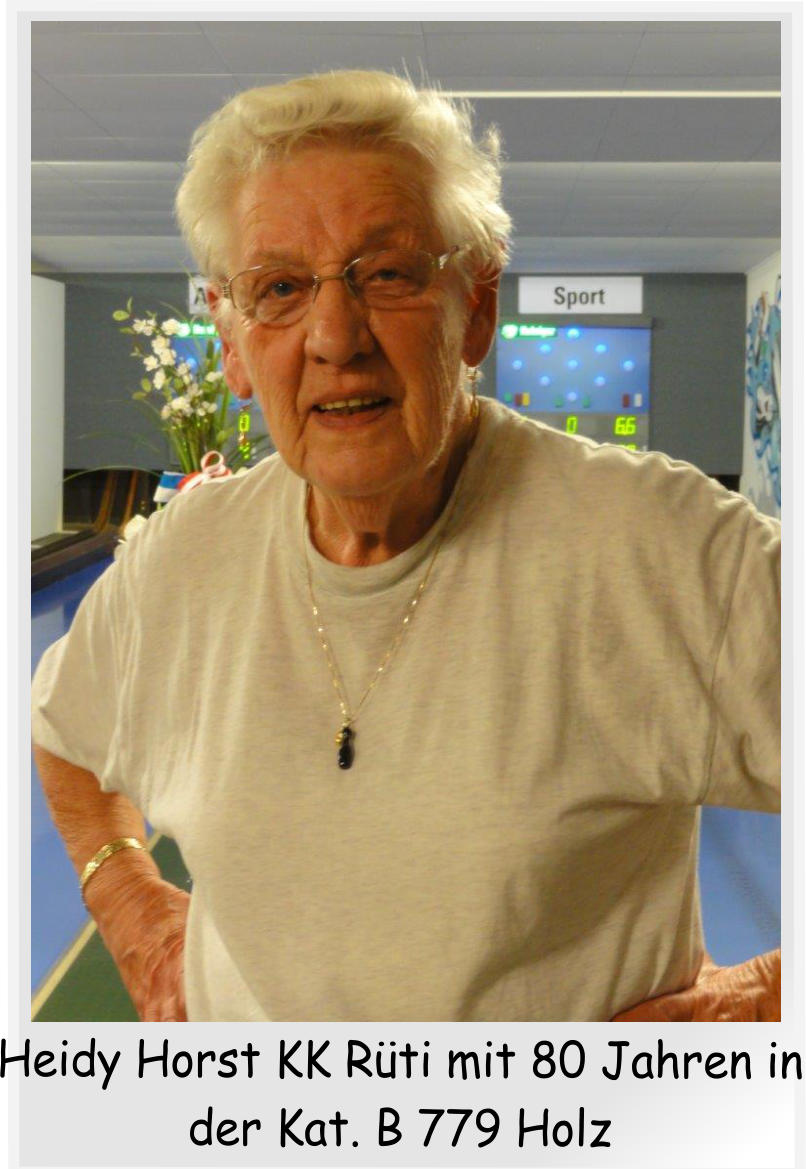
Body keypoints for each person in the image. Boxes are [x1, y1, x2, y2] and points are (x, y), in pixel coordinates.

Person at [32, 70, 780, 1023]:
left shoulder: (662, 550)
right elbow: (62, 731)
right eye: (279, 289)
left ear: (477, 305)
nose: (335, 336)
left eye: (387, 274)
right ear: (232, 343)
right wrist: (131, 906)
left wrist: (759, 1003)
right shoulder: (179, 561)